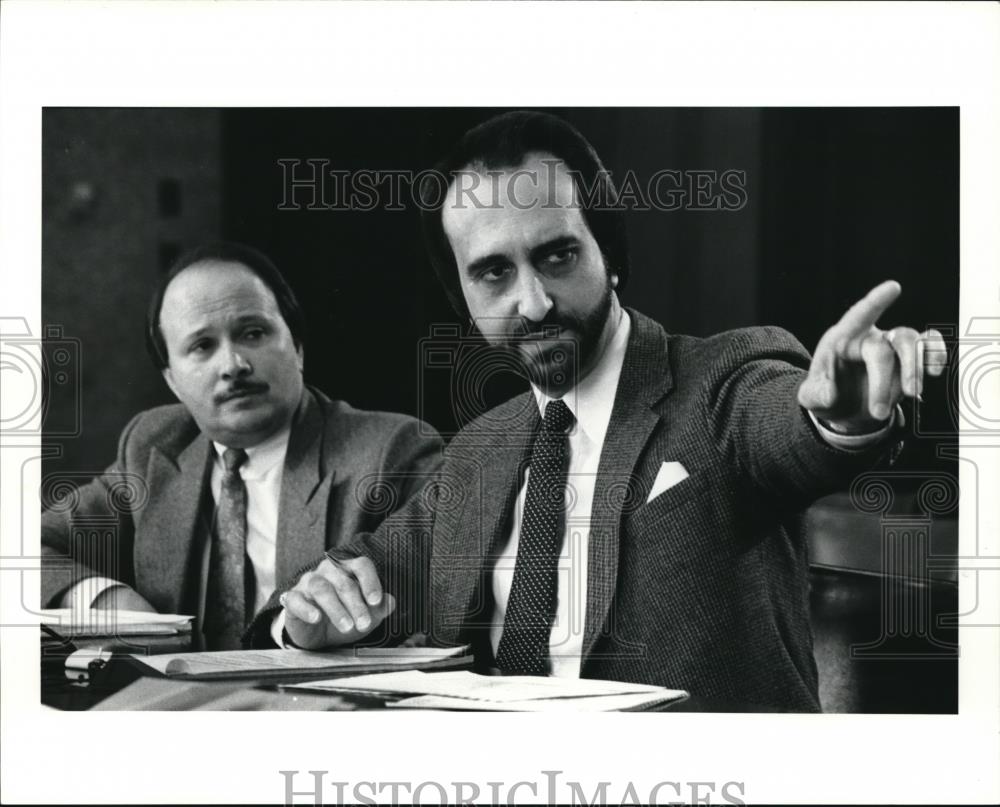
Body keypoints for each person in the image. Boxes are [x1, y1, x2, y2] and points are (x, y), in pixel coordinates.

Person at [254, 112, 947, 710]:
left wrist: (840, 418)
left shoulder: (721, 381)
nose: (533, 302)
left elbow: (786, 430)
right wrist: (310, 616)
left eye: (557, 256)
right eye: (494, 273)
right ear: (462, 296)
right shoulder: (476, 451)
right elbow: (357, 574)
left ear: (608, 252)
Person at [40, 242, 442, 650]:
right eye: (202, 346)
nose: (233, 365)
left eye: (253, 333)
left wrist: (299, 631)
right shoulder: (154, 447)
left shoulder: (393, 452)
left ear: (298, 347)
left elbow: (432, 603)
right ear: (171, 380)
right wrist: (108, 600)